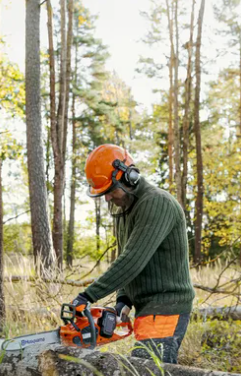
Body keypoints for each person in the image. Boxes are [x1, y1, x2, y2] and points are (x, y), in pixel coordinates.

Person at [69, 144, 195, 364]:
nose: (107, 198)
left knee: (146, 373)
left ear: (129, 176)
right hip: (147, 308)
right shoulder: (126, 210)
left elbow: (133, 260)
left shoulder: (157, 203)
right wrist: (123, 299)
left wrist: (87, 296)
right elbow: (128, 259)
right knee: (146, 375)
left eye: (110, 190)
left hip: (167, 305)